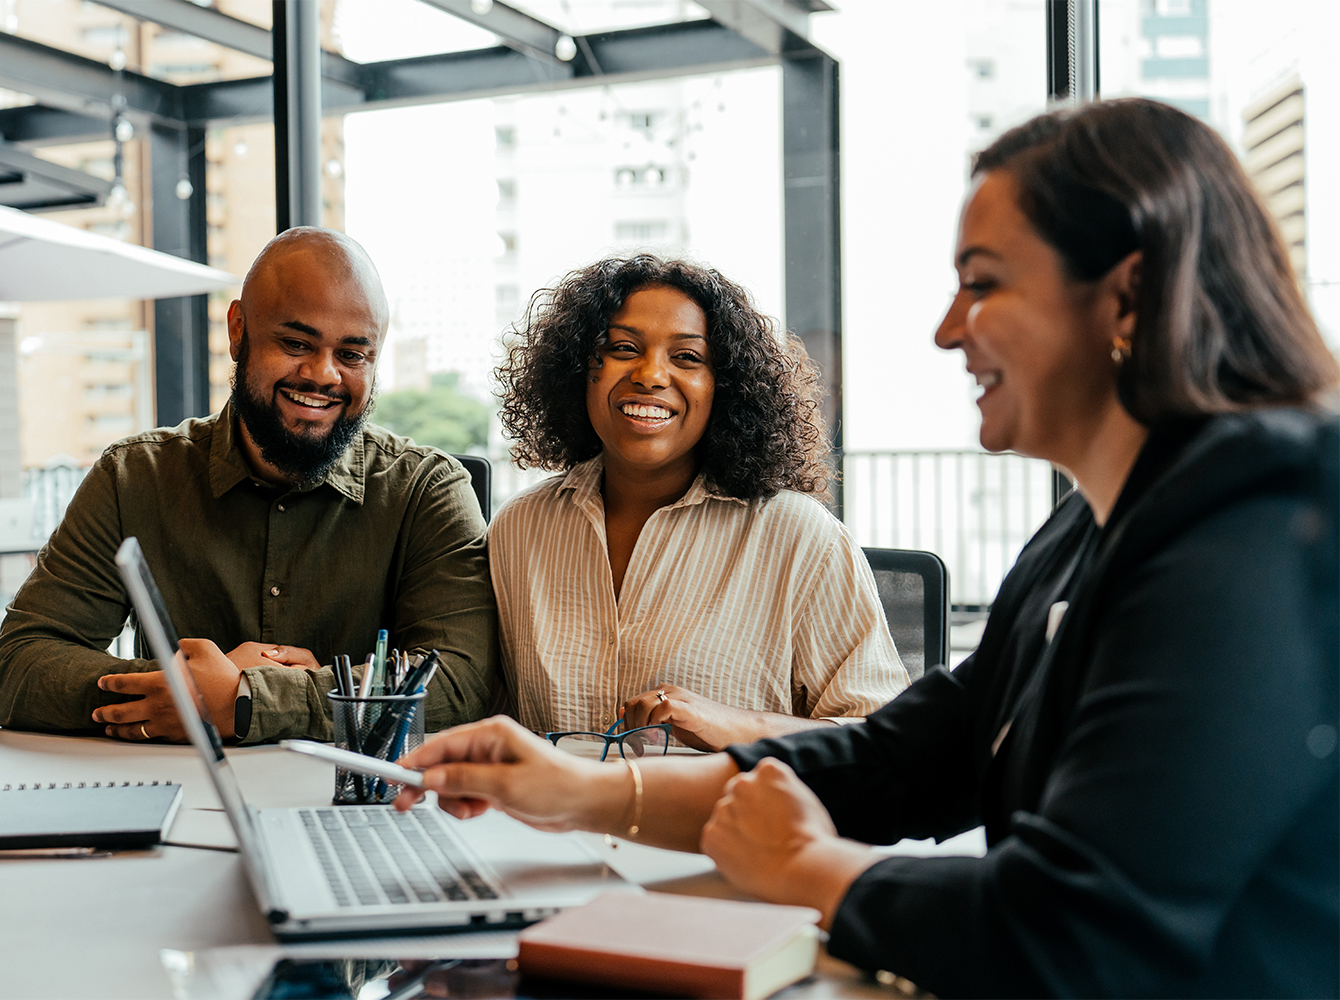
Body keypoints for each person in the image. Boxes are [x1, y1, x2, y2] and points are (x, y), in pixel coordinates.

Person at [396, 99, 1339, 997]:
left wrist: (815, 871)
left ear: (1126, 298)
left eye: (982, 282)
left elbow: (1076, 933)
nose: (945, 329)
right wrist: (575, 792)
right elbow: (899, 760)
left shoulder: (1253, 526)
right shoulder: (1084, 533)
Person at [0, 228, 497, 745]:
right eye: (296, 343)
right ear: (238, 330)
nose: (324, 374)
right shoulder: (133, 477)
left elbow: (461, 687)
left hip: (354, 809)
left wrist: (245, 698)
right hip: (178, 794)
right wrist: (184, 691)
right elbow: (17, 662)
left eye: (353, 355)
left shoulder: (427, 490)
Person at [489, 254, 909, 751]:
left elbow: (886, 743)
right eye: (623, 348)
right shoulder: (520, 528)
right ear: (580, 371)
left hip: (721, 825)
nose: (649, 375)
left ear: (723, 387)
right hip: (551, 825)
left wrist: (735, 727)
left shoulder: (799, 536)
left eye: (687, 357)